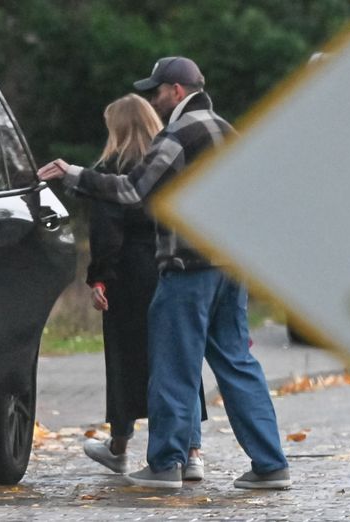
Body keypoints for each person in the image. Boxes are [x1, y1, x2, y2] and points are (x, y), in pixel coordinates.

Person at [38, 56, 291, 489]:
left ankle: (165, 464)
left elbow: (132, 188)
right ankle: (271, 465)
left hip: (189, 266)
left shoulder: (180, 133)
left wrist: (75, 174)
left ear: (176, 91)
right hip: (231, 268)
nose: (153, 100)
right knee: (237, 363)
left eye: (157, 91)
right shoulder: (227, 130)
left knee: (173, 364)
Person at [81, 94, 207, 481]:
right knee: (178, 359)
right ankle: (192, 451)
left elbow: (108, 231)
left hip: (130, 273)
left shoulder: (109, 169)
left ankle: (119, 445)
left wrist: (100, 276)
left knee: (125, 358)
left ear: (116, 128)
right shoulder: (169, 160)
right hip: (173, 266)